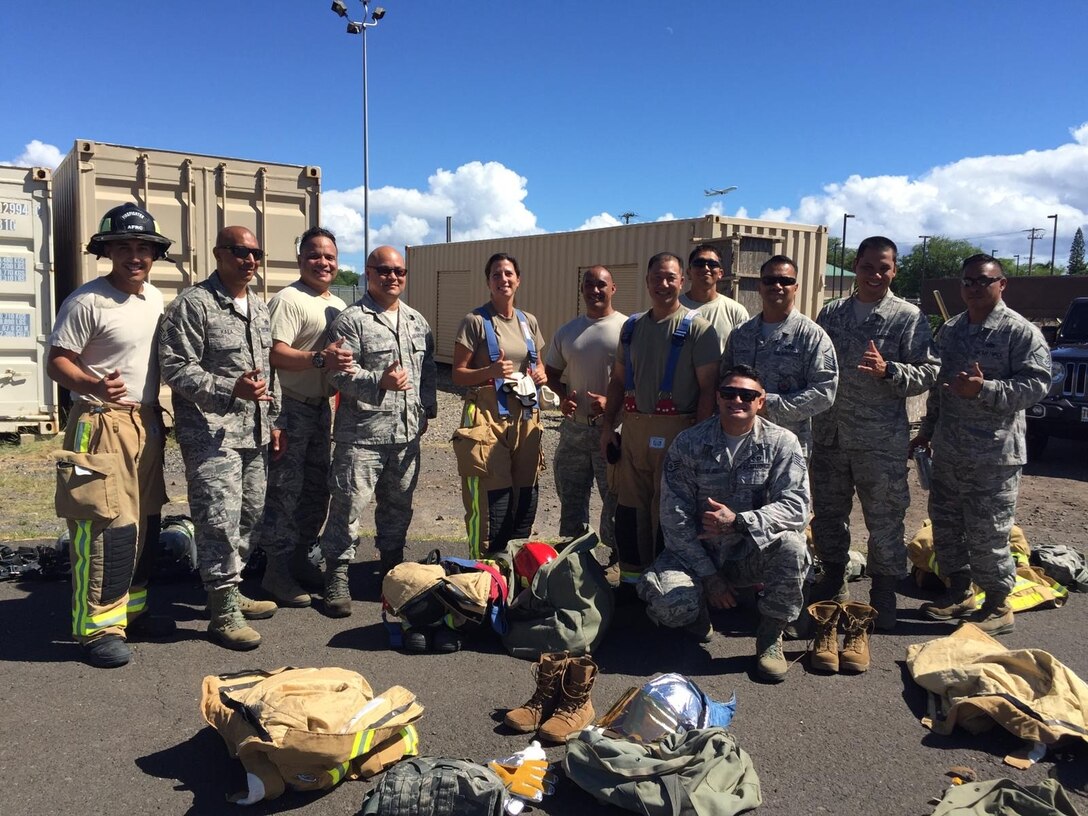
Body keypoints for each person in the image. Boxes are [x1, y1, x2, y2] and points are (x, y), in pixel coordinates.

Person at [46, 203, 174, 668]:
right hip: (98, 423)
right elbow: (57, 360)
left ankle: (129, 615)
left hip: (144, 422)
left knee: (144, 523)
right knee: (103, 526)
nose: (134, 255)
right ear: (107, 251)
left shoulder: (153, 299)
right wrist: (93, 384)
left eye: (143, 247)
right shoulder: (88, 301)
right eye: (124, 246)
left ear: (154, 254)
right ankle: (95, 629)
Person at [639, 366, 810, 683]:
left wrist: (740, 522)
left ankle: (771, 635)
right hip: (697, 554)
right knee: (669, 604)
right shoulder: (689, 443)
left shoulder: (782, 443)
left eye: (747, 395)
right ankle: (698, 608)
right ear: (717, 398)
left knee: (793, 546)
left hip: (749, 553)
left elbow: (797, 507)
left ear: (760, 402)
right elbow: (674, 518)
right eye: (729, 393)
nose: (737, 400)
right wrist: (709, 576)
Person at [910, 255, 1051, 635]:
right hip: (950, 450)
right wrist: (928, 428)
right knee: (947, 527)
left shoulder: (1019, 332)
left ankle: (997, 603)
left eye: (984, 281)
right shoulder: (953, 330)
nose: (975, 288)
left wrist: (984, 389)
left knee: (988, 532)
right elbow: (941, 386)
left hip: (994, 456)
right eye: (968, 281)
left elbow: (1037, 386)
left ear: (1001, 284)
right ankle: (959, 592)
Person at [159, 226, 282, 651]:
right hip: (211, 436)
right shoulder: (192, 305)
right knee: (218, 520)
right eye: (239, 251)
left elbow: (269, 371)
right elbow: (175, 366)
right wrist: (229, 388)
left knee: (250, 515)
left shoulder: (259, 308)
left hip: (255, 433)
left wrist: (275, 418)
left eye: (255, 252)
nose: (249, 260)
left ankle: (234, 589)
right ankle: (221, 610)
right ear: (218, 254)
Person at [811, 236, 939, 630]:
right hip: (830, 438)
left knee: (885, 519)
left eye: (884, 268)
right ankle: (834, 582)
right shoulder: (831, 314)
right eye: (868, 267)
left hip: (879, 442)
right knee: (829, 516)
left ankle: (883, 590)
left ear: (894, 270)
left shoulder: (908, 317)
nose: (875, 275)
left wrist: (891, 371)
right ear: (856, 267)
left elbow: (930, 371)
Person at [320, 246, 437, 617]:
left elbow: (428, 370)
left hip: (405, 435)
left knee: (398, 505)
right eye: (384, 270)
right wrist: (379, 381)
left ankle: (391, 566)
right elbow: (336, 372)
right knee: (347, 506)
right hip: (362, 436)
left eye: (399, 271)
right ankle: (337, 574)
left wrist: (426, 409)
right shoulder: (351, 321)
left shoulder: (417, 321)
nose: (393, 277)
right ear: (368, 274)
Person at [599, 252, 719, 586]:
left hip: (679, 433)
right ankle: (632, 580)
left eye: (670, 278)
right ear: (647, 281)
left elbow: (709, 388)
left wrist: (699, 439)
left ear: (682, 281)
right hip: (634, 431)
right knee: (630, 509)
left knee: (671, 513)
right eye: (656, 278)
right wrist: (608, 427)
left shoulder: (699, 329)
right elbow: (619, 382)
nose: (663, 284)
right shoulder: (632, 327)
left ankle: (670, 584)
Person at [257, 227, 353, 607]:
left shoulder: (337, 306)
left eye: (330, 256)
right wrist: (318, 359)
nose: (323, 262)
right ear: (300, 259)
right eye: (315, 255)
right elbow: (274, 354)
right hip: (290, 407)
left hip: (319, 409)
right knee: (284, 491)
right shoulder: (289, 300)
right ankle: (275, 571)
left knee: (316, 490)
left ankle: (299, 559)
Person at [452, 253, 547, 557]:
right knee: (495, 500)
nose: (503, 280)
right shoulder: (475, 321)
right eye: (496, 274)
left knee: (525, 495)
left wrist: (540, 374)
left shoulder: (527, 321)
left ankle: (515, 568)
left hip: (525, 416)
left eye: (508, 274)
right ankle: (484, 572)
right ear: (488, 281)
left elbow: (539, 367)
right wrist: (489, 372)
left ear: (518, 280)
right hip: (487, 418)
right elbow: (458, 375)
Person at [545, 266, 627, 563]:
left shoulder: (628, 329)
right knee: (571, 501)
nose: (595, 290)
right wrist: (563, 396)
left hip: (614, 431)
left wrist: (614, 403)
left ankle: (619, 561)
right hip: (575, 432)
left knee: (616, 502)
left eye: (601, 285)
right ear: (582, 290)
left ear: (613, 288)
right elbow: (550, 372)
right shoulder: (568, 332)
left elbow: (641, 381)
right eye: (589, 285)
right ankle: (574, 565)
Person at [721, 254, 837, 460]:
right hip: (738, 442)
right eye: (769, 280)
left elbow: (824, 392)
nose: (777, 285)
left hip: (788, 446)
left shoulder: (811, 336)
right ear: (759, 286)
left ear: (796, 287)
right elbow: (723, 382)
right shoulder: (741, 334)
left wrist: (770, 405)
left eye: (785, 281)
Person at [679, 244, 749, 353]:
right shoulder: (674, 307)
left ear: (720, 273)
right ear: (688, 272)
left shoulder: (736, 312)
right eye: (699, 264)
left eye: (712, 264)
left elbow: (743, 354)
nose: (706, 268)